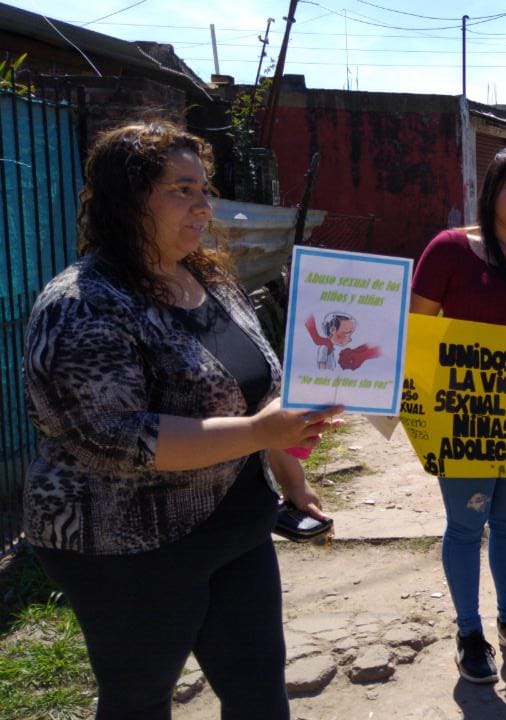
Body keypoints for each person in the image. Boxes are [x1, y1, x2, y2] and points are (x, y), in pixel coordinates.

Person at [22, 120, 341, 720]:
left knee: (258, 689)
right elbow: (117, 436)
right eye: (180, 190)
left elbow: (254, 396)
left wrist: (288, 471)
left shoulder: (208, 277)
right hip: (128, 542)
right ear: (128, 197)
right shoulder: (82, 303)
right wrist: (260, 434)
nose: (202, 206)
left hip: (233, 523)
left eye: (204, 189)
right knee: (139, 700)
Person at [410, 146, 506, 684]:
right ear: (491, 191)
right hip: (462, 420)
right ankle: (469, 631)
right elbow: (417, 333)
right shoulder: (450, 250)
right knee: (465, 522)